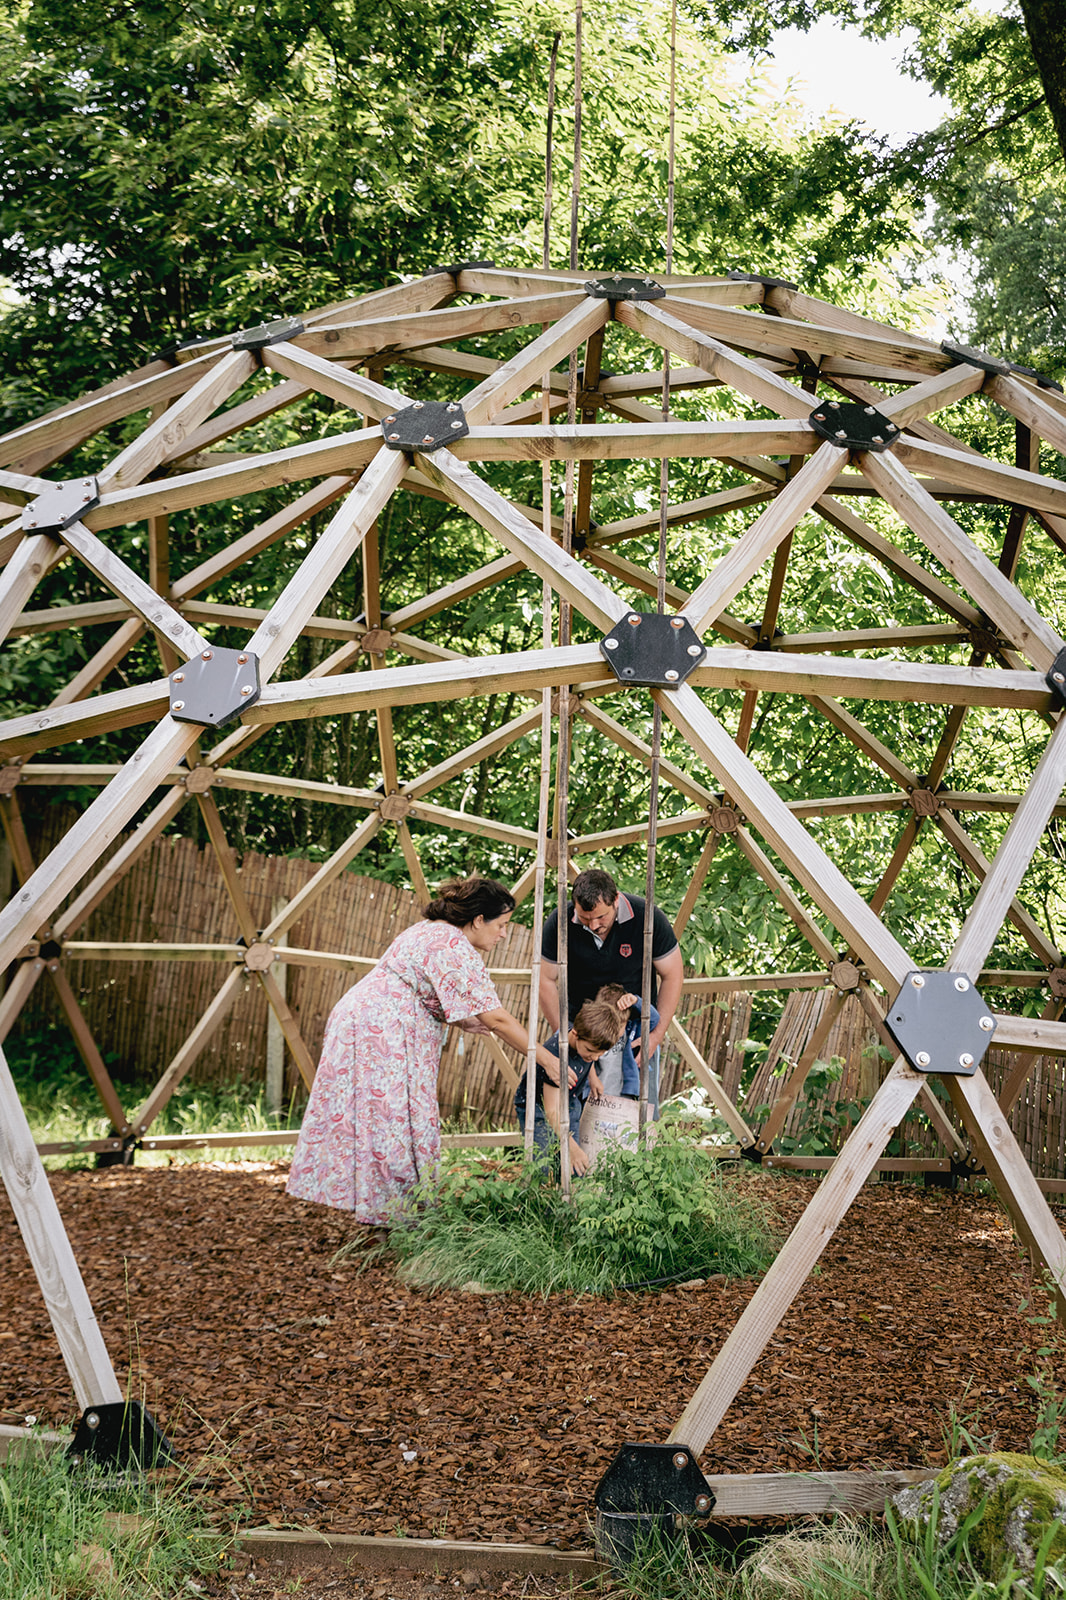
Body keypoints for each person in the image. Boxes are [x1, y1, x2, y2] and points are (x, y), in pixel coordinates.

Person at [287, 876, 560, 1222]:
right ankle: (392, 1220)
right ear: (479, 920)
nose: (504, 934)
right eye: (502, 925)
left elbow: (421, 987)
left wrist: (461, 1021)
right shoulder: (452, 945)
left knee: (378, 1120)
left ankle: (389, 1215)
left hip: (366, 1021)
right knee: (390, 1124)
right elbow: (497, 1019)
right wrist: (546, 1058)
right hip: (380, 1031)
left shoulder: (431, 930)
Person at [539, 868, 683, 1116]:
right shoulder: (560, 920)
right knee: (578, 1111)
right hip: (581, 1032)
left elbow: (673, 975)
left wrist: (655, 1036)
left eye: (600, 917)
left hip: (634, 1033)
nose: (593, 925)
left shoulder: (646, 916)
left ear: (616, 899)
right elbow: (545, 979)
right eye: (584, 918)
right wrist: (565, 1035)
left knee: (639, 1112)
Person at [514, 997, 624, 1175]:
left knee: (573, 1165)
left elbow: (589, 1058)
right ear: (575, 1034)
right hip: (538, 1108)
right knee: (541, 1162)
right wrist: (571, 1147)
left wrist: (593, 1077)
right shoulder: (557, 1056)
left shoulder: (586, 1040)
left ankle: (571, 1188)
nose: (595, 1058)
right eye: (591, 1051)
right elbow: (551, 1111)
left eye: (600, 1054)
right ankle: (539, 1189)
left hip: (569, 1101)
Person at [596, 984, 660, 1099]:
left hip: (624, 1095)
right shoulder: (594, 1034)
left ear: (626, 1021)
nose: (614, 1030)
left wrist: (636, 1001)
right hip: (595, 1093)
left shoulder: (631, 1032)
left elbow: (654, 1019)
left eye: (619, 1025)